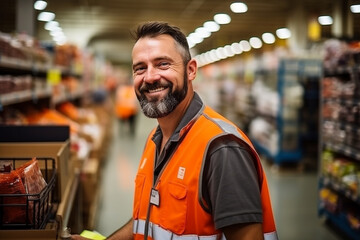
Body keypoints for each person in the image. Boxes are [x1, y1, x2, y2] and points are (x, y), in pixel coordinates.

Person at [72, 21, 278, 240]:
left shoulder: (221, 148)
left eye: (162, 64)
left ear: (191, 71)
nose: (150, 77)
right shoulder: (154, 139)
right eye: (140, 68)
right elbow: (147, 218)